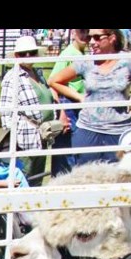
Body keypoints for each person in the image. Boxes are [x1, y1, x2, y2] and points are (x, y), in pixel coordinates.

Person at [48, 29, 131, 166]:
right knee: (87, 178)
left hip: (119, 130)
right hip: (88, 130)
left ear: (112, 38)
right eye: (90, 38)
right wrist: (79, 97)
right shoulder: (86, 62)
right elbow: (53, 81)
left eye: (97, 38)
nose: (91, 42)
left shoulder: (129, 61)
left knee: (116, 178)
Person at [0, 35, 54, 183]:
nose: (28, 56)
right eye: (23, 54)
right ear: (16, 56)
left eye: (31, 52)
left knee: (37, 177)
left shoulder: (38, 74)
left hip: (42, 135)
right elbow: (6, 114)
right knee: (24, 178)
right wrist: (13, 141)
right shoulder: (12, 77)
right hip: (24, 139)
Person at [48, 29, 89, 177]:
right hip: (69, 105)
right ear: (74, 34)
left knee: (75, 152)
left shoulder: (82, 55)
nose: (85, 36)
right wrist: (61, 112)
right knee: (65, 153)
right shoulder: (68, 54)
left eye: (88, 32)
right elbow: (52, 83)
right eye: (82, 32)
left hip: (78, 105)